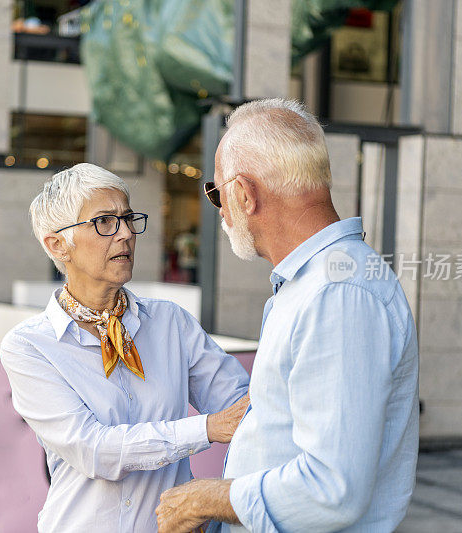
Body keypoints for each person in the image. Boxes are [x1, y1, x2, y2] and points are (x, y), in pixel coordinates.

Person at [156, 99, 419, 532]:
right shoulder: (316, 283)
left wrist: (207, 498)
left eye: (216, 192)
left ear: (244, 193)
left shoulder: (337, 292)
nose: (221, 210)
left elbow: (331, 489)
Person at [0, 163, 250, 532]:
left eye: (128, 218)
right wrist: (207, 428)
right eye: (104, 222)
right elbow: (93, 450)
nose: (126, 234)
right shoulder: (30, 347)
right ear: (57, 244)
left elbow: (243, 410)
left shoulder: (170, 323)